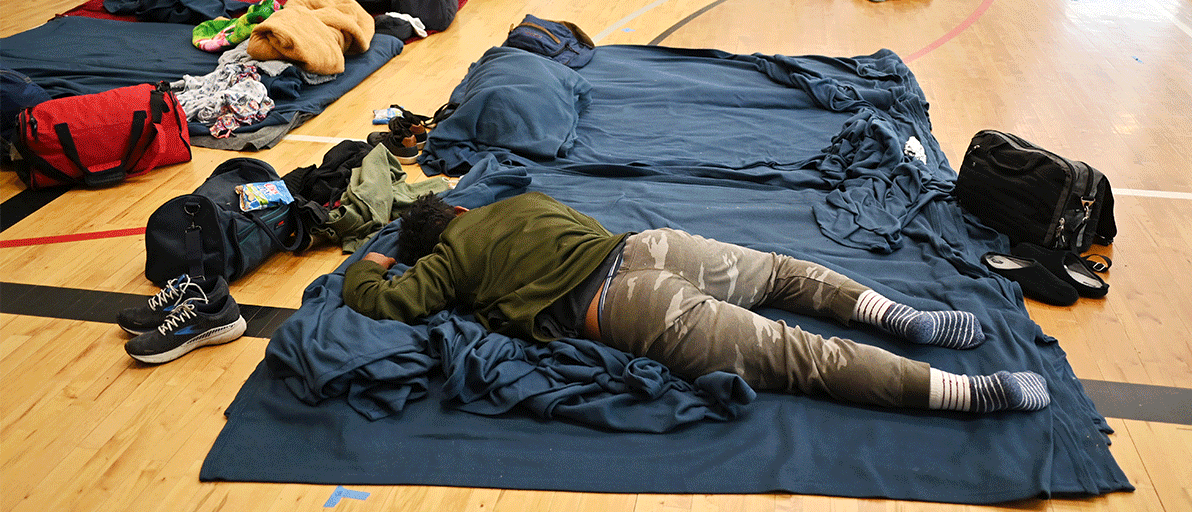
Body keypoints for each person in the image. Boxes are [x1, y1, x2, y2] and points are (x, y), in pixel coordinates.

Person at [342, 192, 1053, 414]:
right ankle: (890, 312)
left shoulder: (445, 261)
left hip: (618, 306)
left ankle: (964, 394)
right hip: (651, 247)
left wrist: (372, 262)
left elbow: (385, 302)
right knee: (781, 274)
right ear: (463, 205)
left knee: (794, 356)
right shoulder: (521, 199)